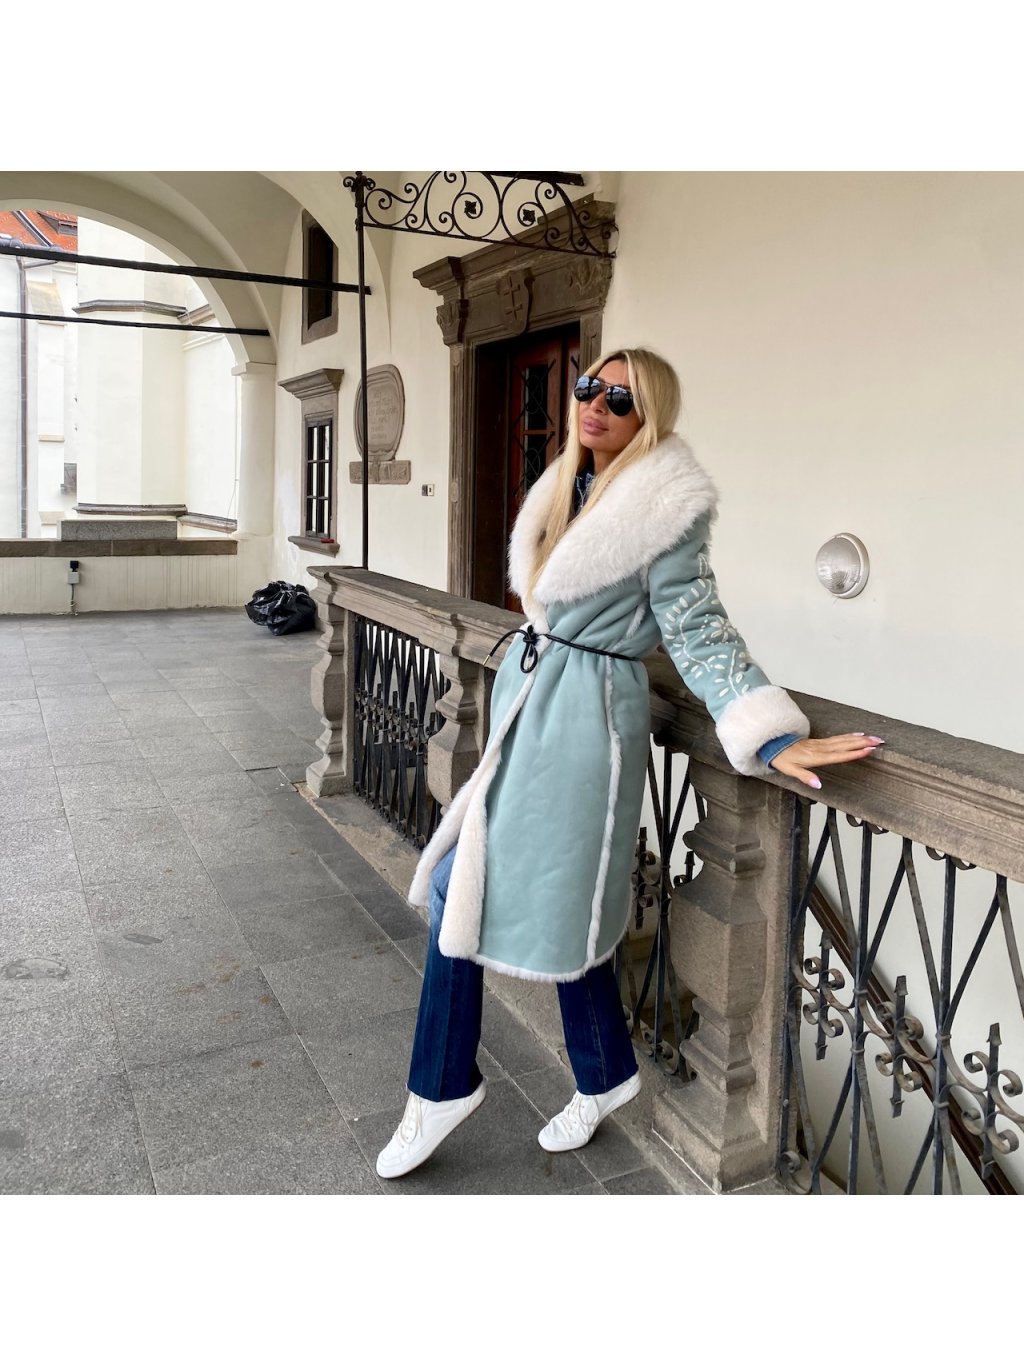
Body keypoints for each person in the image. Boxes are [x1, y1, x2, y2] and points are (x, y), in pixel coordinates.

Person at [375, 347, 882, 1179]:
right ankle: (605, 1071)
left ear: (650, 418)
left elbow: (697, 624)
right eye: (590, 387)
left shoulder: (667, 510)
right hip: (534, 706)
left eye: (621, 398)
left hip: (583, 729)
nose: (596, 405)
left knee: (460, 886)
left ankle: (439, 1085)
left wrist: (765, 729)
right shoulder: (569, 486)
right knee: (566, 907)